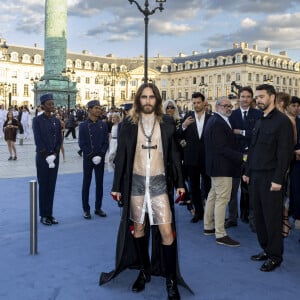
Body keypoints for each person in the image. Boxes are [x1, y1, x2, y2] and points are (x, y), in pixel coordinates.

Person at [99, 83, 192, 300]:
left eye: (151, 97)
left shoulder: (167, 123)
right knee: (138, 228)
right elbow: (121, 156)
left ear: (157, 100)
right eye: (144, 97)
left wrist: (180, 183)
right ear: (138, 100)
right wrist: (116, 186)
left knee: (167, 232)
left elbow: (175, 156)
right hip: (136, 183)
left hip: (159, 182)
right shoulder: (128, 125)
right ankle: (143, 270)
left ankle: (170, 280)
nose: (148, 101)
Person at [243, 84, 294, 272]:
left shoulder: (282, 122)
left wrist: (278, 179)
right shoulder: (260, 120)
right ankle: (265, 249)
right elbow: (253, 149)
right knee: (259, 217)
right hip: (255, 176)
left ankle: (275, 256)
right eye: (257, 97)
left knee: (272, 218)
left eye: (262, 96)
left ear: (272, 97)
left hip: (271, 178)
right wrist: (247, 172)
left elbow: (285, 154)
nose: (258, 100)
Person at [203, 96, 243, 247]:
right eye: (225, 105)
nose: (228, 108)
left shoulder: (215, 121)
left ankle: (208, 226)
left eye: (230, 106)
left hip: (217, 166)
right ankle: (220, 234)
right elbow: (222, 148)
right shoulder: (218, 123)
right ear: (217, 106)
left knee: (213, 195)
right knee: (222, 199)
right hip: (222, 167)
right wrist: (242, 157)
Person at [226, 86, 262, 231]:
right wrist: (247, 133)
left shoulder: (258, 114)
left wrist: (240, 131)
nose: (245, 99)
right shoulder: (232, 115)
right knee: (232, 190)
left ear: (251, 98)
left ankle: (253, 220)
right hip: (235, 156)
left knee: (252, 191)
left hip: (253, 156)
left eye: (248, 96)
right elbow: (229, 135)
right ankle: (233, 218)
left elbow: (257, 134)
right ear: (238, 98)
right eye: (243, 96)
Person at [178, 92, 211, 223]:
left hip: (207, 158)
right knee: (194, 187)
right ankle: (198, 212)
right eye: (194, 103)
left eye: (198, 102)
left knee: (208, 187)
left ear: (204, 103)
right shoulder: (187, 117)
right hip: (191, 159)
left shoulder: (211, 118)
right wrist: (184, 125)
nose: (196, 105)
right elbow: (179, 135)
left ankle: (209, 213)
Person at [32, 93, 62, 226]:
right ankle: (43, 215)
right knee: (44, 186)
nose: (52, 106)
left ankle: (50, 213)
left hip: (54, 157)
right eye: (49, 104)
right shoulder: (37, 120)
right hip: (43, 158)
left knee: (52, 186)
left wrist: (55, 154)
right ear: (43, 106)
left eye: (52, 103)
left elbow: (59, 139)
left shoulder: (56, 121)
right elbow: (38, 139)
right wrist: (46, 155)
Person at [78, 100, 109, 219]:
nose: (99, 110)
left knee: (99, 183)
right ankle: (86, 209)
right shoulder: (83, 125)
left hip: (100, 159)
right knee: (86, 183)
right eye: (96, 108)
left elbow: (106, 142)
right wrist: (91, 155)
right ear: (89, 109)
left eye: (100, 108)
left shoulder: (103, 125)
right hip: (88, 159)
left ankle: (98, 207)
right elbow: (82, 143)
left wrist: (101, 155)